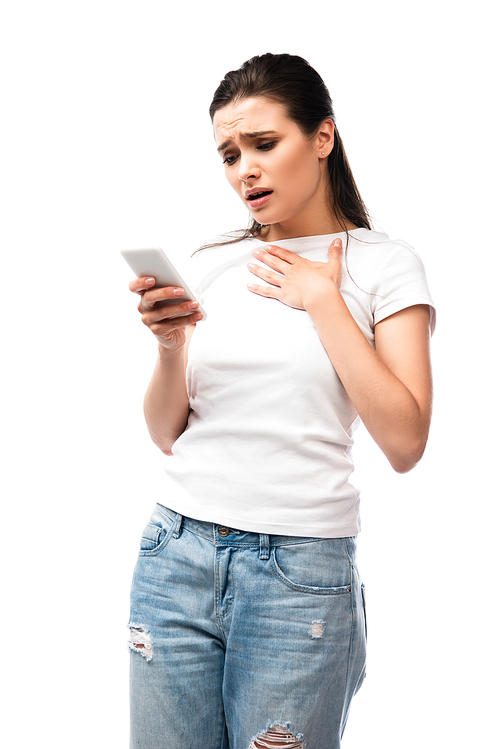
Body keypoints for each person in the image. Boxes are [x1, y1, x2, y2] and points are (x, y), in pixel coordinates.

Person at [126, 53, 435, 749]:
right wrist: (171, 345)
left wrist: (323, 300)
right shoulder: (212, 260)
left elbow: (406, 439)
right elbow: (167, 432)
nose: (245, 171)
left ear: (322, 137)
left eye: (264, 145)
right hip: (174, 552)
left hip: (296, 578)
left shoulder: (385, 265)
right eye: (230, 154)